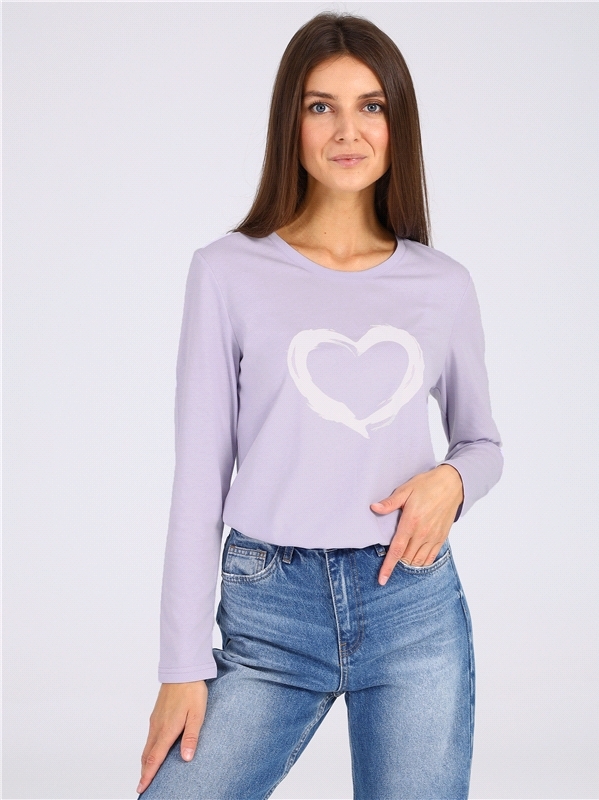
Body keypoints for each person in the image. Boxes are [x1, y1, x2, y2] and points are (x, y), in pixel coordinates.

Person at [136, 11, 503, 800]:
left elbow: (481, 444)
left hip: (411, 608)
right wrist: (180, 665)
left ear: (397, 126)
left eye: (370, 106)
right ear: (290, 124)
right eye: (319, 106)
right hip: (269, 612)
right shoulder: (227, 272)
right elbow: (199, 480)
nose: (347, 130)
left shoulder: (441, 284)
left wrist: (451, 482)